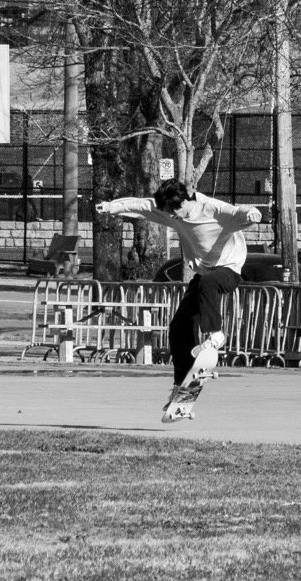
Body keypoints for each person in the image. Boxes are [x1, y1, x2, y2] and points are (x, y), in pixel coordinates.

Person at [95, 179, 262, 423]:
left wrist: (254, 213)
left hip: (230, 270)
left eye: (176, 211)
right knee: (179, 325)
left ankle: (215, 334)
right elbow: (142, 206)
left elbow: (238, 213)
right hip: (205, 274)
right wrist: (111, 207)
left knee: (208, 283)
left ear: (185, 201)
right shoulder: (170, 211)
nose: (174, 217)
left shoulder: (212, 209)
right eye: (169, 213)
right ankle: (180, 389)